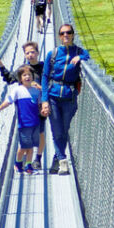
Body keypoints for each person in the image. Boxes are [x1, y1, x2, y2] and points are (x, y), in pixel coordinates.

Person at [41, 25, 89, 175]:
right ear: (59, 36)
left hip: (69, 96)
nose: (66, 35)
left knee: (64, 130)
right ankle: (63, 161)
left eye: (69, 32)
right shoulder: (53, 53)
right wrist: (44, 100)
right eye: (62, 33)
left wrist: (80, 57)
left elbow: (88, 55)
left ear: (73, 35)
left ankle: (56, 159)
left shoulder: (79, 51)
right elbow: (45, 77)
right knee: (57, 130)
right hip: (53, 96)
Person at [0, 41, 47, 170]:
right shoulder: (24, 70)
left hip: (41, 106)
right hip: (27, 112)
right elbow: (9, 79)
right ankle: (24, 163)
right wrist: (1, 65)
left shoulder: (45, 67)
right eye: (27, 53)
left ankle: (37, 159)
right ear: (24, 55)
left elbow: (50, 83)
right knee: (28, 139)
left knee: (40, 133)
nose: (30, 55)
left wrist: (39, 88)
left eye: (32, 52)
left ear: (37, 52)